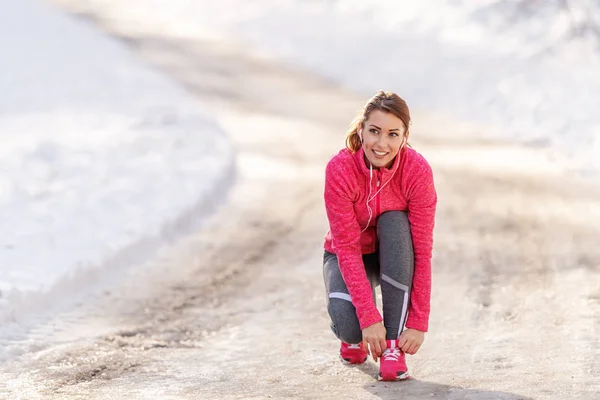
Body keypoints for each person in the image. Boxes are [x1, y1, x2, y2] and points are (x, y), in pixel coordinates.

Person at [323, 90, 437, 381]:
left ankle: (392, 346)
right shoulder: (340, 169)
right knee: (351, 326)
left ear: (405, 136)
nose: (382, 143)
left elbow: (422, 251)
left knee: (395, 221)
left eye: (392, 134)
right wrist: (368, 317)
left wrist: (418, 321)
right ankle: (353, 336)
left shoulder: (416, 171)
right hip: (347, 255)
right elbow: (346, 249)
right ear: (361, 130)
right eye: (374, 131)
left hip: (393, 255)